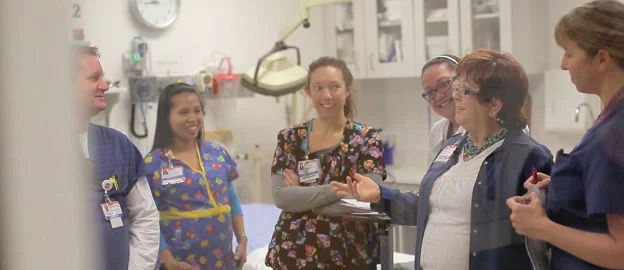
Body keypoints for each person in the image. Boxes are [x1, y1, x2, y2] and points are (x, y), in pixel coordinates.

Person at [332, 49, 554, 270]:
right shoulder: (452, 145)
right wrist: (381, 195)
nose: (455, 95)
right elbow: (427, 207)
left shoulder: (527, 155)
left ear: (494, 104)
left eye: (465, 90)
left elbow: (543, 239)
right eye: (456, 87)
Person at [507, 1, 624, 269]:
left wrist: (541, 228)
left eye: (569, 54)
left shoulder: (616, 132)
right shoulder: (610, 119)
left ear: (602, 58)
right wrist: (563, 186)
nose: (563, 65)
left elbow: (621, 252)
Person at [264, 56, 387, 269]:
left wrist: (304, 197)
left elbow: (367, 201)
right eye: (318, 87)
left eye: (334, 87)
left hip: (350, 254)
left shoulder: (367, 138)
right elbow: (282, 197)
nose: (326, 95)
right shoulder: (291, 137)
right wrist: (339, 190)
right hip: (293, 254)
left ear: (347, 90)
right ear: (308, 92)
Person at [144, 83, 247, 270]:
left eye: (197, 111)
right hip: (181, 261)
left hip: (223, 259)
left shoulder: (216, 151)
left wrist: (242, 239)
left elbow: (231, 198)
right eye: (183, 112)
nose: (193, 118)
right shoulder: (153, 164)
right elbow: (146, 217)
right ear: (166, 117)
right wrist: (169, 260)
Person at [74, 44, 160, 269]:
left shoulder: (118, 146)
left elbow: (145, 217)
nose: (105, 85)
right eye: (94, 78)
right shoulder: (37, 155)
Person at [421, 55, 466, 166]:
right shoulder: (437, 130)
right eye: (430, 92)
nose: (438, 97)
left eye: (444, 84)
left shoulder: (479, 129)